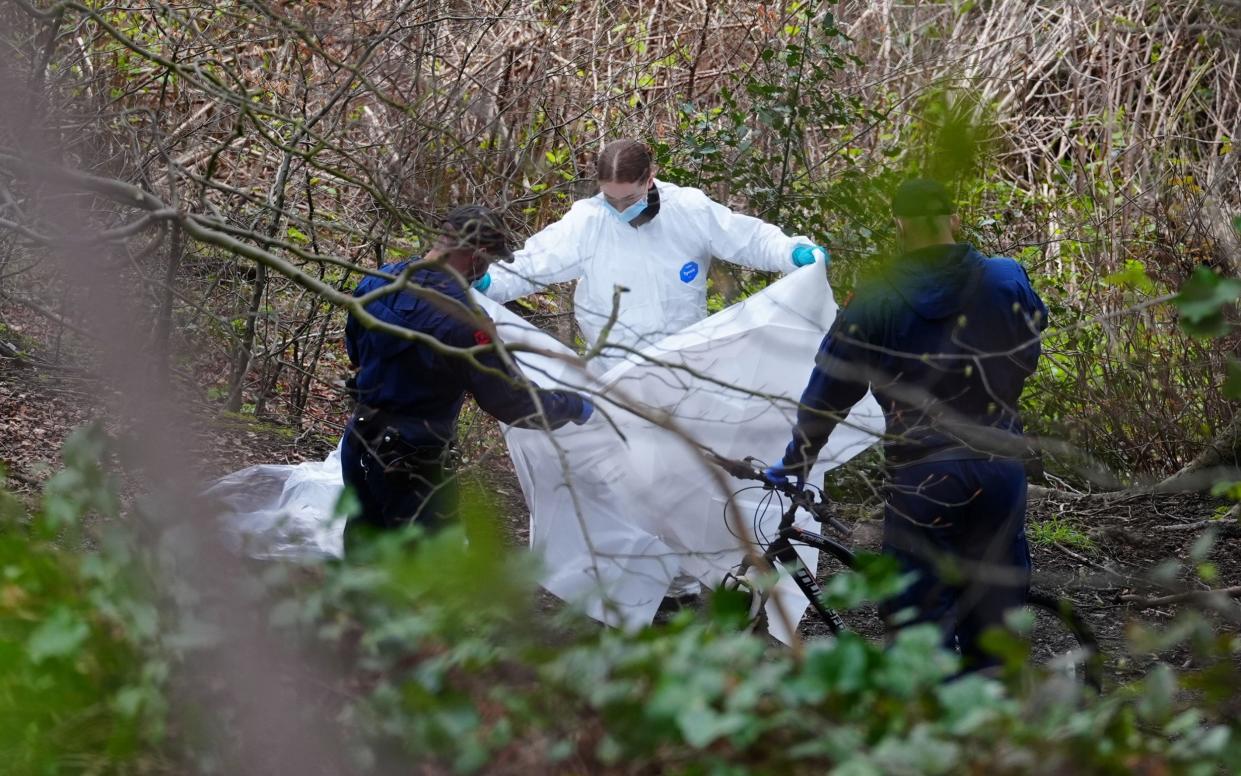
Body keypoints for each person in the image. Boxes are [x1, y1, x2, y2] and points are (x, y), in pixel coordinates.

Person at [765, 179, 1048, 671]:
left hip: (924, 476)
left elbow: (829, 389)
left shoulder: (875, 298)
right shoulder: (1006, 278)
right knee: (996, 619)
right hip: (998, 465)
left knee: (920, 624)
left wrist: (798, 461)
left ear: (899, 225)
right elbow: (1028, 350)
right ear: (954, 218)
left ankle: (936, 730)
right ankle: (998, 732)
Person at [342, 205, 594, 557]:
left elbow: (354, 348)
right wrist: (575, 405)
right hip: (411, 466)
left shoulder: (380, 280)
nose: (486, 272)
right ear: (476, 255)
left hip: (358, 442)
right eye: (489, 261)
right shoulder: (464, 322)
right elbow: (514, 402)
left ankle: (355, 610)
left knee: (363, 549)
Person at [474, 139, 829, 373]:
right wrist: (487, 281)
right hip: (616, 375)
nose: (619, 208)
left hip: (686, 366)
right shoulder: (588, 222)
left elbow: (747, 238)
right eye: (610, 200)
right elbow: (532, 264)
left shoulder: (689, 209)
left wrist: (791, 251)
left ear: (650, 179)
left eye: (628, 200)